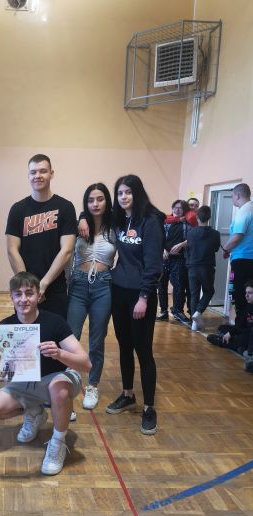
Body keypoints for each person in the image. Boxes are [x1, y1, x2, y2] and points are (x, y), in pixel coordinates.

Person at [0, 272, 91, 475]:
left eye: (29, 293)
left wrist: (59, 353)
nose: (23, 299)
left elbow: (86, 365)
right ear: (11, 297)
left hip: (59, 378)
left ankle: (57, 443)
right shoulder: (4, 327)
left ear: (39, 296)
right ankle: (34, 413)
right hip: (25, 383)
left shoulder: (55, 322)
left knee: (59, 390)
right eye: (18, 294)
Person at [105, 175, 163, 435]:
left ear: (137, 193)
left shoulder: (150, 221)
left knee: (144, 351)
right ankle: (128, 394)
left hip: (140, 297)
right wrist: (83, 217)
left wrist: (144, 297)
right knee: (124, 345)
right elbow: (92, 211)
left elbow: (154, 264)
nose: (123, 197)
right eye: (120, 193)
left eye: (128, 192)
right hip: (119, 291)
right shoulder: (119, 219)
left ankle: (149, 408)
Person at [5, 154, 77, 319]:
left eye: (43, 171)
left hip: (55, 288)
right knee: (27, 335)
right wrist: (28, 287)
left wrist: (43, 285)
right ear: (28, 176)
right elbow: (12, 250)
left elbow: (67, 250)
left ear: (51, 173)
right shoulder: (17, 209)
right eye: (33, 172)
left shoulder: (65, 207)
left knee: (54, 335)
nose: (37, 176)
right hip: (25, 292)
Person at [67, 183, 116, 410]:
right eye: (90, 200)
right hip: (78, 284)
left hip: (104, 286)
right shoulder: (79, 226)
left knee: (97, 340)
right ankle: (67, 385)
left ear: (107, 201)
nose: (95, 204)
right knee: (70, 337)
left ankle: (92, 385)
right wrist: (80, 218)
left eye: (100, 199)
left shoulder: (115, 226)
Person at [156, 200, 193, 324]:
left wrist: (182, 244)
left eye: (180, 208)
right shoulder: (165, 222)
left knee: (178, 285)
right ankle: (163, 311)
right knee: (161, 285)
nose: (177, 210)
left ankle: (178, 311)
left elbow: (193, 237)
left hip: (179, 258)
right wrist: (162, 250)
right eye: (175, 207)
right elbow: (158, 238)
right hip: (164, 258)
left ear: (184, 210)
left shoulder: (187, 223)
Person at [186, 205, 221, 331]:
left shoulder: (191, 233)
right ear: (209, 217)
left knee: (194, 294)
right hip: (207, 267)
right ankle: (198, 312)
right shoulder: (215, 233)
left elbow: (189, 248)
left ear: (197, 217)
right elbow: (216, 248)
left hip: (192, 266)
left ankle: (194, 322)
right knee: (209, 291)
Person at [207, 280, 253, 372]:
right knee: (222, 328)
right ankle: (240, 347)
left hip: (249, 335)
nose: (246, 295)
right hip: (244, 332)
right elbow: (240, 323)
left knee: (246, 336)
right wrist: (230, 333)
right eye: (246, 293)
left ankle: (223, 342)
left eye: (250, 293)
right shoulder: (249, 306)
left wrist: (234, 333)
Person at [222, 183, 253, 318]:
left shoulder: (244, 211)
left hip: (242, 260)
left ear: (238, 195)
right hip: (249, 260)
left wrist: (225, 249)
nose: (232, 199)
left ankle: (240, 327)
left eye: (232, 196)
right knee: (249, 296)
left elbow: (237, 237)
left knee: (239, 295)